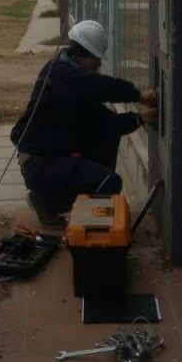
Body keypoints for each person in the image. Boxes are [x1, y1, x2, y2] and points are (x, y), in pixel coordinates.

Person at [11, 19, 159, 230]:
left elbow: (107, 123)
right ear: (81, 54)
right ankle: (79, 219)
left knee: (105, 137)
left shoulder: (75, 86)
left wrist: (142, 118)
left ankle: (50, 201)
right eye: (96, 59)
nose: (99, 64)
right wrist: (138, 96)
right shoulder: (61, 73)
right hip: (41, 163)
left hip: (52, 157)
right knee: (109, 182)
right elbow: (99, 86)